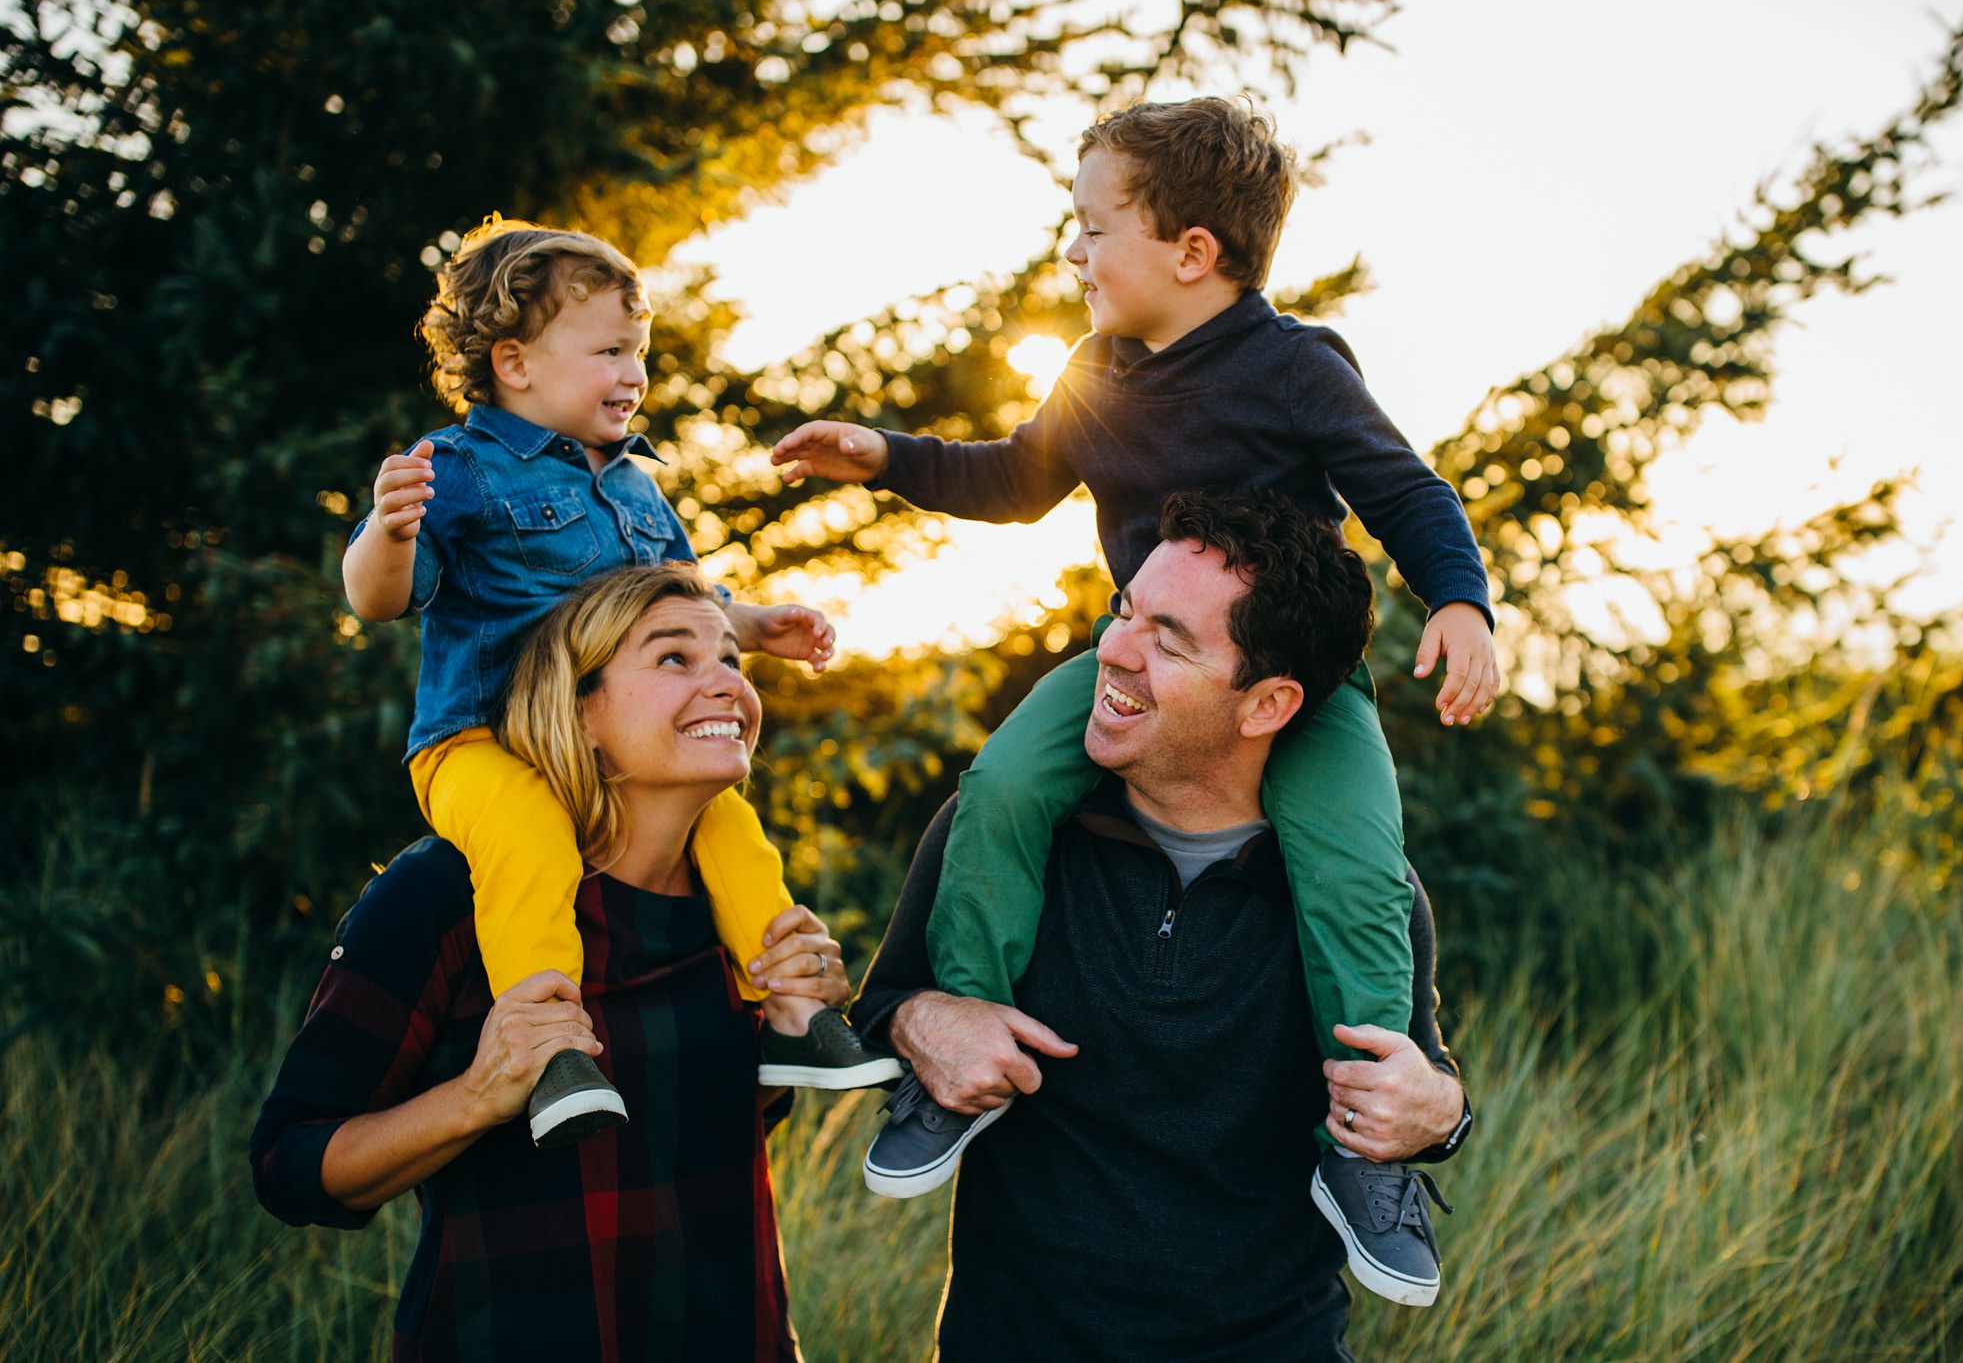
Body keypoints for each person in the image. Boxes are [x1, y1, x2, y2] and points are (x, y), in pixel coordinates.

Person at [772, 98, 1492, 1303]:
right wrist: (888, 457)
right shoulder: (1092, 371)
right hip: (1129, 663)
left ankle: (1365, 1146)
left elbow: (1404, 493)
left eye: (1091, 225)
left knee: (1356, 864)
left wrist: (1460, 603)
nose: (1071, 251)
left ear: (1191, 251)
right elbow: (1011, 479)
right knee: (1001, 785)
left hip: (1289, 686)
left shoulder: (1295, 367)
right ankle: (953, 1054)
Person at [850, 490, 1472, 1357]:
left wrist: (1438, 1113)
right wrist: (926, 1017)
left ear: (1266, 706)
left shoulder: (1366, 892)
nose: (1112, 649)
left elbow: (1422, 1081)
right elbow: (881, 1005)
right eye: (1124, 611)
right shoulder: (993, 831)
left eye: (1168, 640)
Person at [342, 216, 897, 1147]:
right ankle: (553, 1045)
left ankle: (792, 1013)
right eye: (609, 351)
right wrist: (386, 534)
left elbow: (681, 597)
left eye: (640, 353)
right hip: (482, 741)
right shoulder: (463, 471)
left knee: (729, 824)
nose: (634, 374)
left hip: (608, 746)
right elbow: (378, 601)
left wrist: (753, 627)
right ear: (515, 363)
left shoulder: (638, 486)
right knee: (526, 838)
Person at [253, 563, 847, 1360]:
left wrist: (786, 1034)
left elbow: (713, 1130)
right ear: (581, 708)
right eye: (675, 658)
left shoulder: (744, 911)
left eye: (732, 662)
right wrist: (477, 1095)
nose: (727, 686)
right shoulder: (443, 895)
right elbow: (290, 1164)